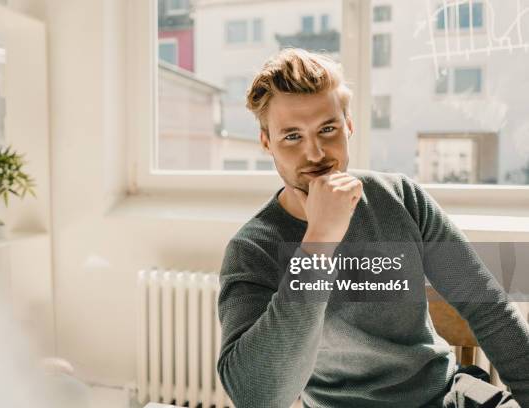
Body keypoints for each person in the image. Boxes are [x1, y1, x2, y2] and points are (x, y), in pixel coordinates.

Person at [216, 48, 529, 408]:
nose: (315, 153)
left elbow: (488, 308)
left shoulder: (401, 198)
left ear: (349, 126)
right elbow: (256, 396)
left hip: (447, 397)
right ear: (266, 142)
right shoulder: (252, 249)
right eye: (292, 137)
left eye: (328, 129)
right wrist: (319, 242)